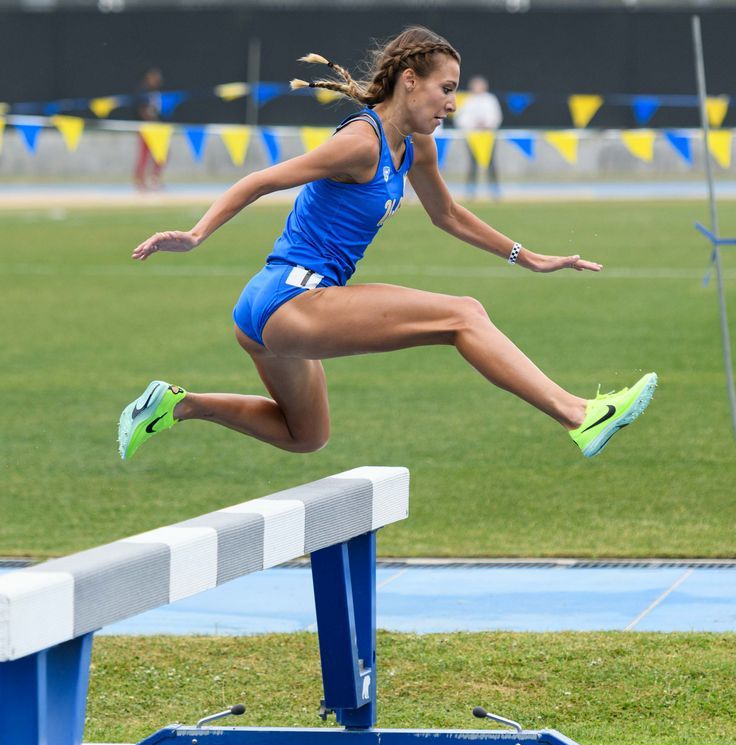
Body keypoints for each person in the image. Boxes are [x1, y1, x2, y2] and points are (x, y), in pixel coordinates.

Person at [119, 26, 656, 464]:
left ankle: (175, 405)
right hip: (290, 300)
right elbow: (261, 180)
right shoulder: (360, 142)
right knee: (463, 315)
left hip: (264, 311)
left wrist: (527, 256)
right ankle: (579, 414)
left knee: (306, 435)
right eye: (446, 88)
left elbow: (447, 214)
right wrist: (195, 235)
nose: (452, 103)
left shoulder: (416, 148)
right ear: (409, 81)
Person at [454, 75, 503, 197]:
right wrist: (473, 125)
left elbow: (496, 117)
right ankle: (471, 190)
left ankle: (494, 189)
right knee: (472, 163)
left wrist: (487, 124)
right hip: (472, 137)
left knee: (491, 163)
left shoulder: (490, 100)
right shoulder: (467, 100)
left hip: (488, 137)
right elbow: (460, 119)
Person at [133, 67, 165, 191]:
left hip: (156, 128)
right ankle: (139, 181)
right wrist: (153, 122)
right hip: (146, 128)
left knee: (161, 154)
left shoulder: (157, 93)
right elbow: (142, 111)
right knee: (144, 155)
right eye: (154, 78)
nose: (157, 80)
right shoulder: (143, 92)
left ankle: (154, 178)